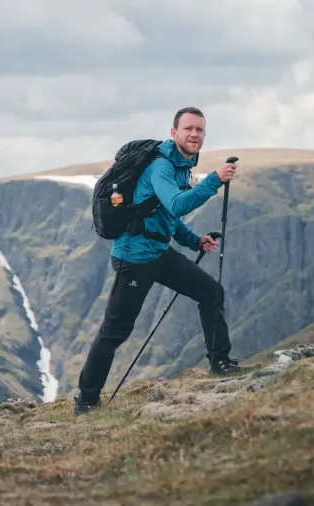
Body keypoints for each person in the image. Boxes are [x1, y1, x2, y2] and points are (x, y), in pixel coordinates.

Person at [74, 106, 240, 415]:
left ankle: (220, 362)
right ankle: (86, 400)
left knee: (210, 291)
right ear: (174, 133)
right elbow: (177, 205)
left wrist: (194, 241)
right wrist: (216, 180)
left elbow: (162, 215)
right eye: (188, 129)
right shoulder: (162, 167)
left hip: (160, 253)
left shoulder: (180, 166)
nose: (194, 134)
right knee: (115, 331)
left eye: (199, 130)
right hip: (134, 259)